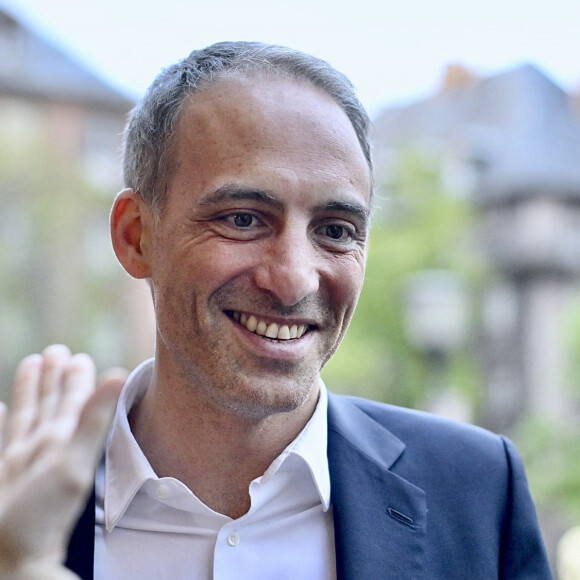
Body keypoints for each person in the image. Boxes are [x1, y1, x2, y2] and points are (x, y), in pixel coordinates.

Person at [0, 41, 552, 579]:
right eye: (243, 218)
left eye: (335, 231)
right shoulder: (17, 505)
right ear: (136, 236)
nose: (293, 280)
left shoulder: (478, 492)